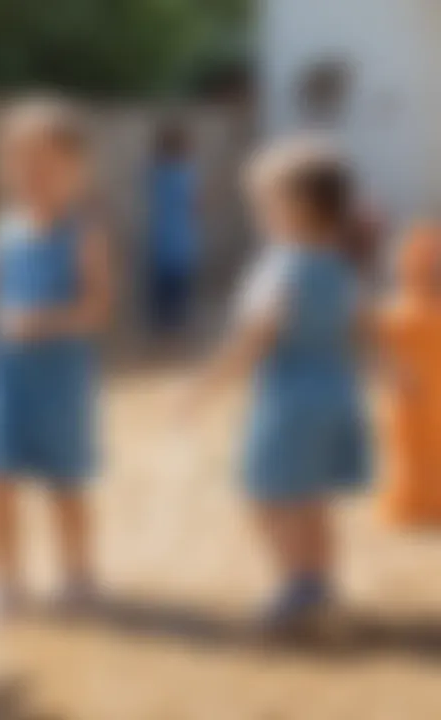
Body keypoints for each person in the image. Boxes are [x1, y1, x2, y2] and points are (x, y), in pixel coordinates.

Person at [182, 137, 368, 632]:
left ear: (299, 208)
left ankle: (295, 585)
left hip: (289, 400)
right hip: (336, 394)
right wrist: (400, 373)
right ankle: (321, 580)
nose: (258, 212)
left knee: (266, 494)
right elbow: (361, 325)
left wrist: (206, 384)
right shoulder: (341, 267)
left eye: (265, 202)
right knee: (311, 498)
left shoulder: (280, 268)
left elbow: (255, 338)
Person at [0, 99, 111, 615]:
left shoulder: (84, 234)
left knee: (66, 484)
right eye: (19, 160)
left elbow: (96, 309)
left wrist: (46, 321)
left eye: (47, 161)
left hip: (61, 380)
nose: (32, 172)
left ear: (77, 170)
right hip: (2, 378)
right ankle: (3, 580)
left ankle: (78, 573)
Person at [377, 224, 441, 527]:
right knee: (409, 445)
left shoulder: (407, 307)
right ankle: (414, 503)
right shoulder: (401, 306)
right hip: (410, 386)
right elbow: (382, 348)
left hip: (426, 382)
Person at [146, 122, 202, 334]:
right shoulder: (186, 171)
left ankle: (163, 332)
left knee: (161, 292)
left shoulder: (154, 171)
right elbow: (195, 204)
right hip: (182, 238)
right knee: (180, 290)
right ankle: (177, 333)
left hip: (160, 236)